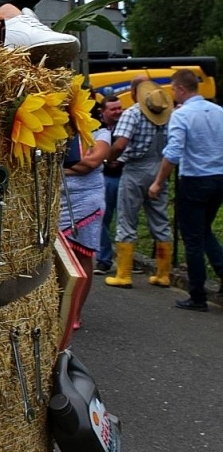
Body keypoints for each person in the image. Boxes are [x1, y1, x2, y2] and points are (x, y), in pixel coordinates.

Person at [148, 68, 223, 311]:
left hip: (194, 179)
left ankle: (198, 295)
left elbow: (173, 153)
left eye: (173, 88)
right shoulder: (219, 111)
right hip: (218, 177)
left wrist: (158, 181)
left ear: (181, 89)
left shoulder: (181, 116)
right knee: (204, 231)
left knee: (192, 239)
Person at [104, 76, 174, 289]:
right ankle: (163, 275)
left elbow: (121, 144)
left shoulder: (133, 113)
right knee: (160, 220)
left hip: (135, 170)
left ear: (135, 92)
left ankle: (123, 275)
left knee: (127, 219)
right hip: (160, 169)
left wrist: (111, 159)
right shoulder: (167, 114)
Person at [59, 106, 111, 326]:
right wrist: (72, 167)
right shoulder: (59, 132)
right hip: (57, 199)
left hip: (87, 200)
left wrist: (61, 166)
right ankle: (58, 309)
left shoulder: (101, 133)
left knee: (82, 255)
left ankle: (75, 313)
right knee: (55, 257)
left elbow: (91, 163)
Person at [94, 91, 123, 275]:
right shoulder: (97, 128)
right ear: (102, 111)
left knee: (125, 219)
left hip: (124, 174)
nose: (118, 112)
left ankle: (124, 261)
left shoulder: (126, 125)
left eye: (119, 108)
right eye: (113, 109)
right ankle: (104, 259)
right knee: (103, 219)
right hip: (107, 177)